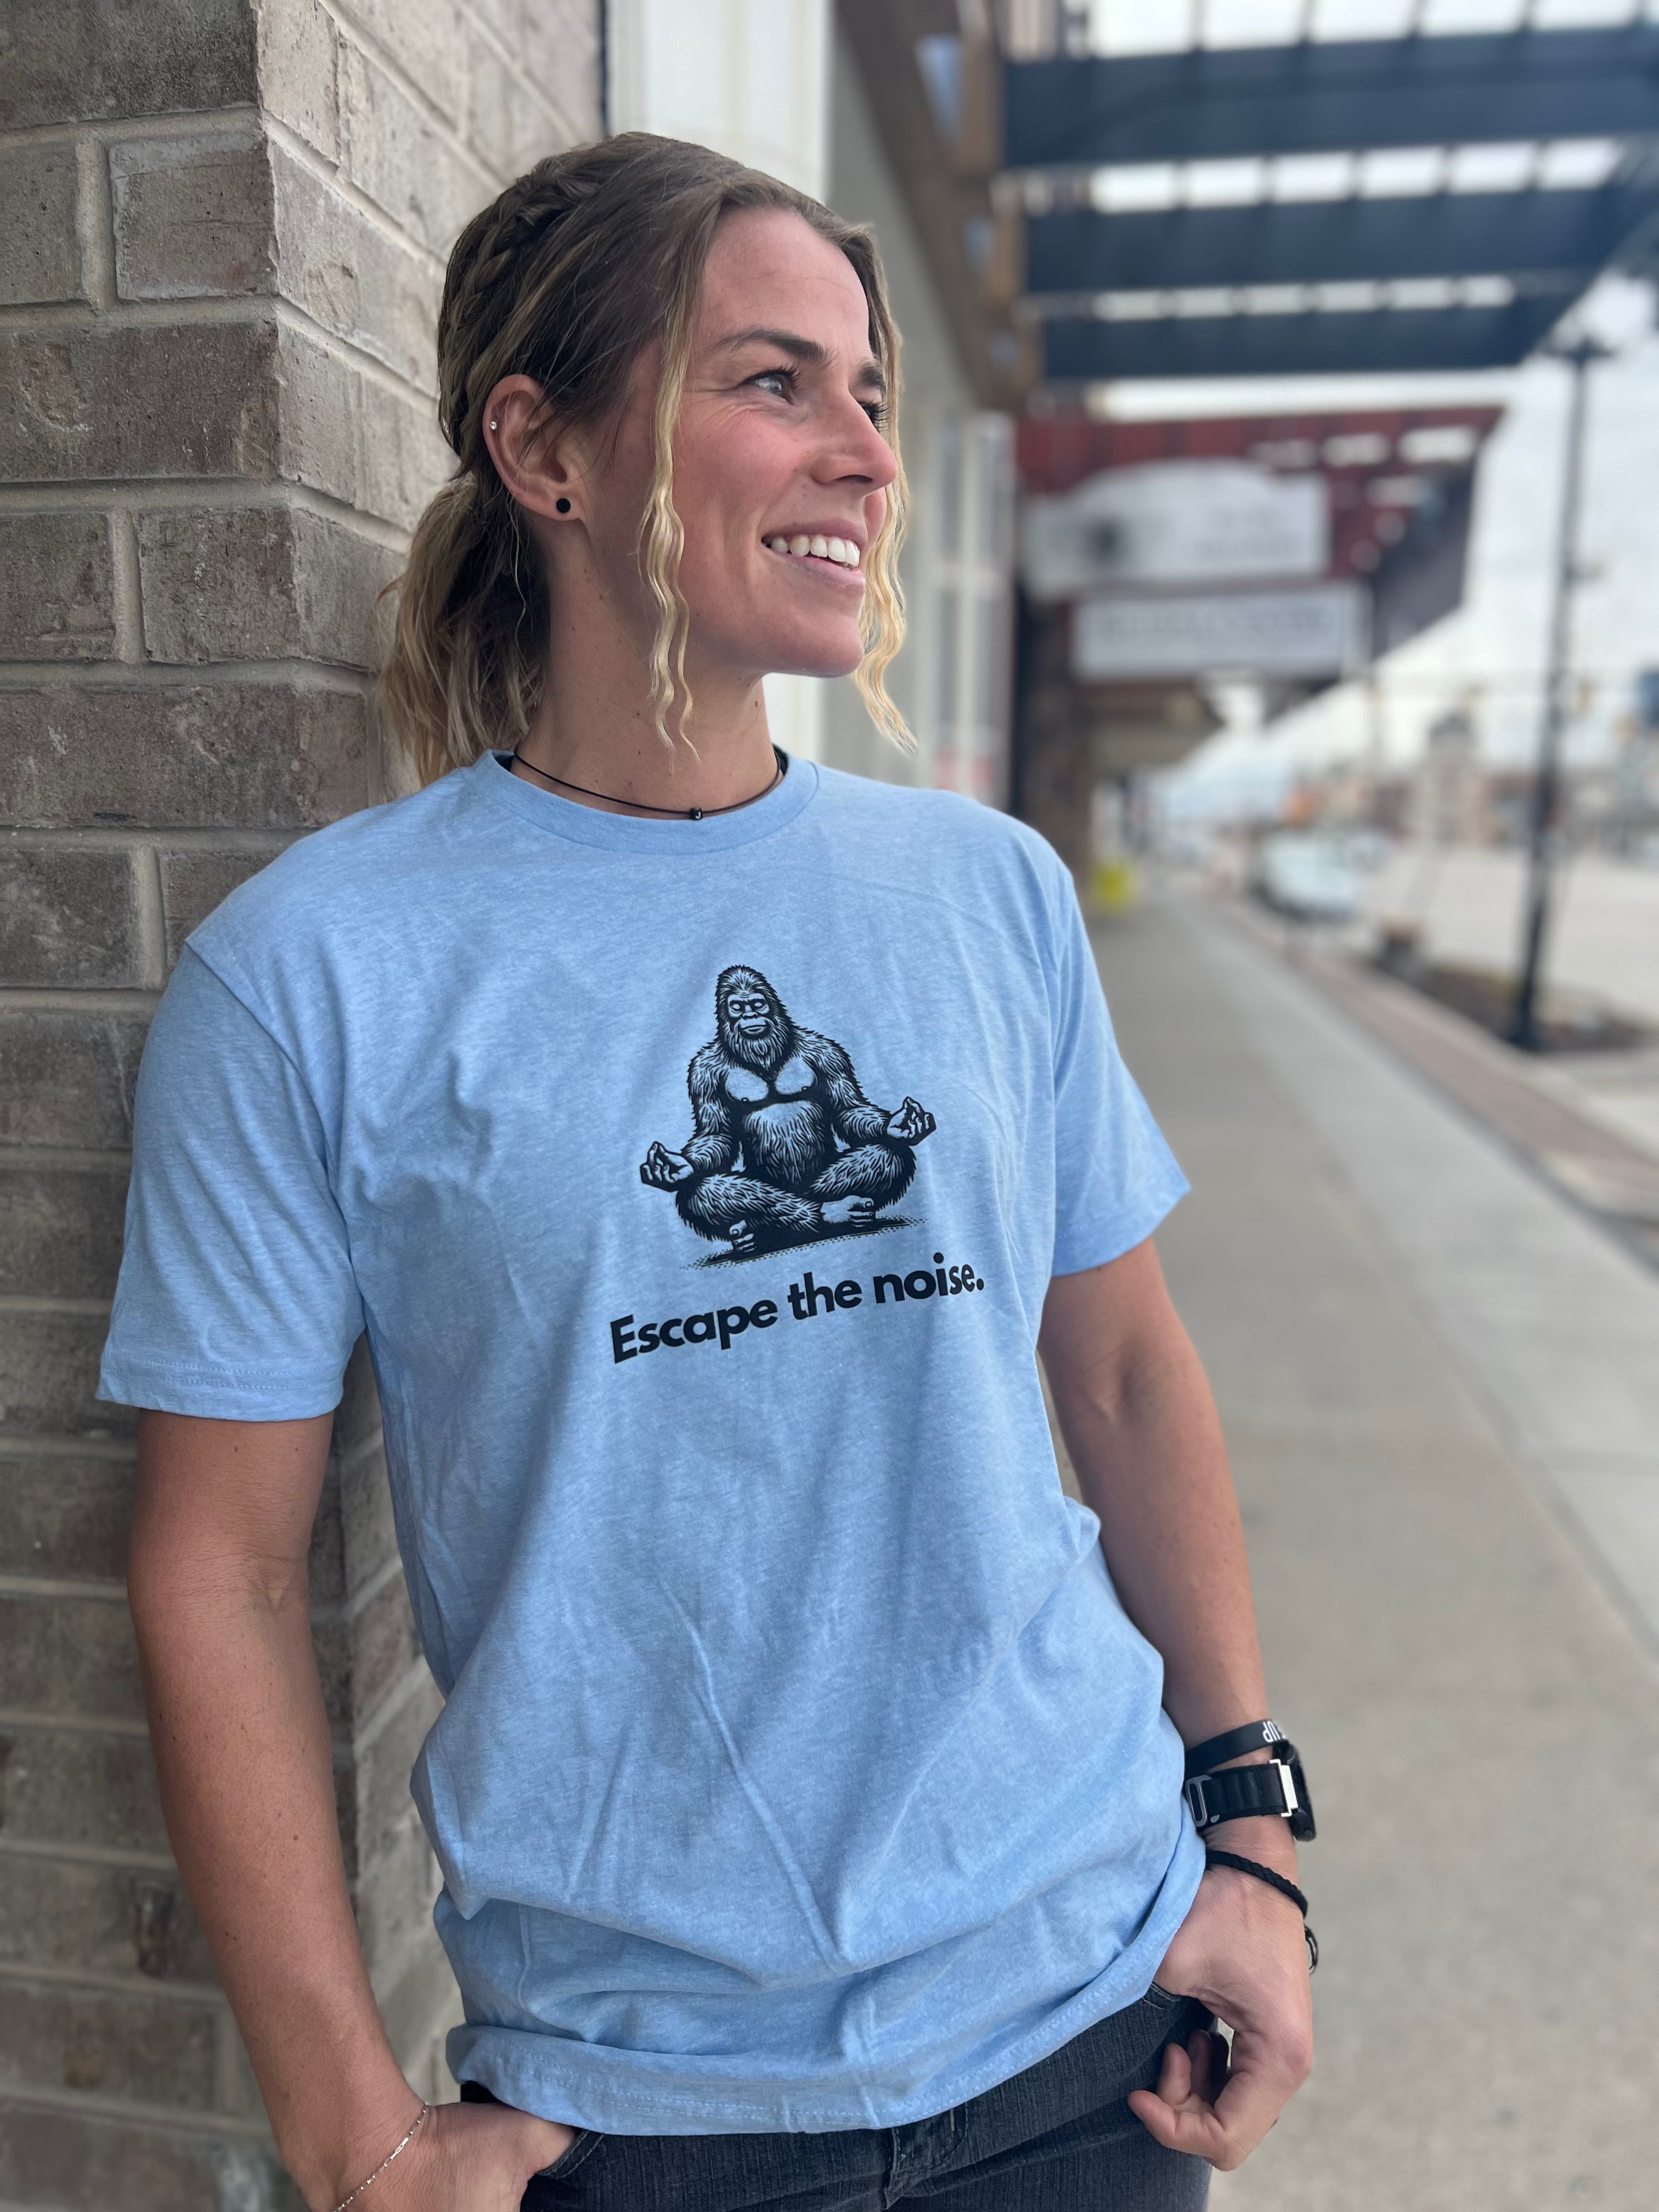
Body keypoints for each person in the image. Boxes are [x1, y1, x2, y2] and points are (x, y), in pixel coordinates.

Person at [101, 135, 1313, 2212]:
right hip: (645, 2107)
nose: (859, 448)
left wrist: (1256, 1842)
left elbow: (1120, 1373)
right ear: (545, 450)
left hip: (1088, 2023)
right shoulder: (317, 974)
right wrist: (350, 2132)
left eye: (866, 391)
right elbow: (216, 1566)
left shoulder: (986, 892)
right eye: (775, 382)